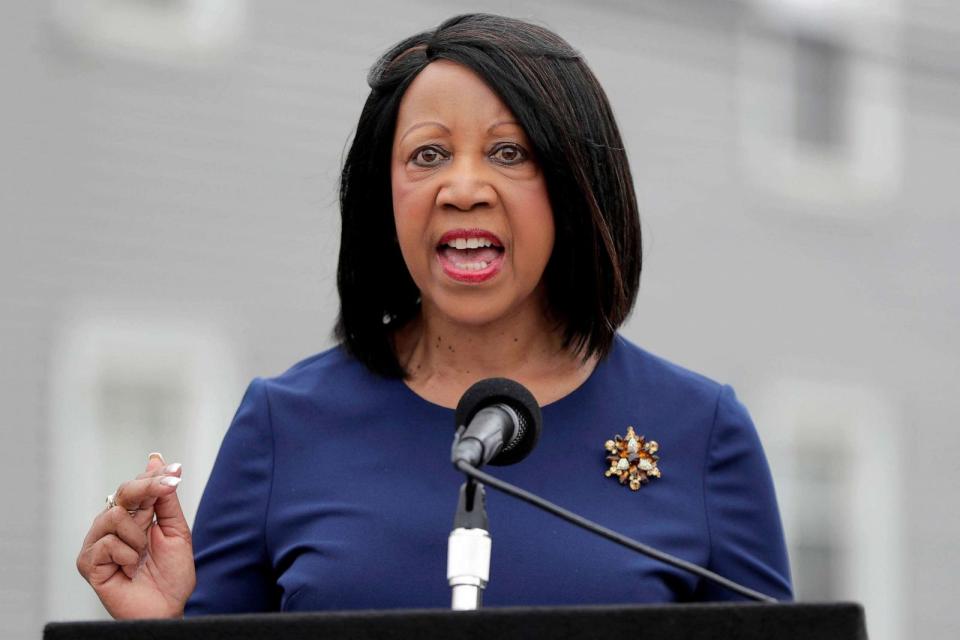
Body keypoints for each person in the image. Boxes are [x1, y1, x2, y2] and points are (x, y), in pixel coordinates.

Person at [76, 14, 792, 618]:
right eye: (428, 155)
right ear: (384, 198)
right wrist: (159, 632)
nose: (463, 187)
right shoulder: (283, 426)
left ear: (576, 185)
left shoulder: (700, 433)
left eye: (509, 152)